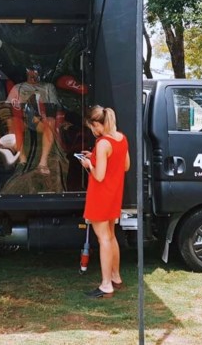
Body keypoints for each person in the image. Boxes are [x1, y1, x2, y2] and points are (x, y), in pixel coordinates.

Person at [78, 105, 130, 298]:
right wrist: (95, 157)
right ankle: (116, 277)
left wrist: (88, 164)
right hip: (114, 194)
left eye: (92, 127)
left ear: (97, 124)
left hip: (100, 195)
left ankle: (106, 284)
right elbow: (125, 166)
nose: (93, 131)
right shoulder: (121, 138)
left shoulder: (102, 143)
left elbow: (99, 176)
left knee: (104, 239)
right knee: (111, 236)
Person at [6, 64, 60, 175]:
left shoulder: (48, 87)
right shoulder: (18, 87)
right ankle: (22, 160)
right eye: (30, 70)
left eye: (35, 71)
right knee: (13, 121)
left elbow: (53, 108)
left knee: (50, 121)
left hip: (41, 120)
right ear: (26, 72)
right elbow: (9, 108)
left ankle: (43, 163)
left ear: (40, 73)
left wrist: (40, 116)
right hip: (24, 119)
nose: (32, 74)